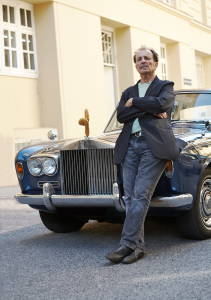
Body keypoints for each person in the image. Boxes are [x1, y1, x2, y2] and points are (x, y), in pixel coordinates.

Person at [105, 45, 180, 264]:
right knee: (129, 197)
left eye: (147, 58)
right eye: (139, 59)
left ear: (156, 64)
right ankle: (137, 248)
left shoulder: (164, 86)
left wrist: (136, 103)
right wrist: (148, 107)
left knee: (140, 195)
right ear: (136, 65)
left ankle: (126, 244)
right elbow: (121, 115)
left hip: (153, 145)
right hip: (129, 145)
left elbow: (163, 103)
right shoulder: (128, 91)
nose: (143, 61)